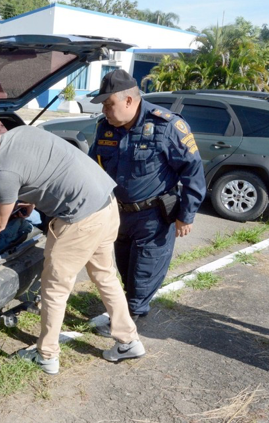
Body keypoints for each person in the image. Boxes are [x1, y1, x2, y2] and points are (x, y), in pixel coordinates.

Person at [0, 124, 146, 375]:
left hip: (80, 220)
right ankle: (129, 341)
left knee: (54, 289)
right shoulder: (22, 132)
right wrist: (31, 200)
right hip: (105, 204)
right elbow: (47, 166)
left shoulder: (4, 171)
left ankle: (46, 356)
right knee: (105, 275)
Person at [88, 69, 206, 336]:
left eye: (109, 104)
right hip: (118, 215)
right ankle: (129, 308)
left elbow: (192, 171)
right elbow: (93, 166)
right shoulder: (105, 127)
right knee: (125, 267)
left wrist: (186, 214)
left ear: (129, 100)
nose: (105, 111)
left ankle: (128, 325)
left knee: (144, 271)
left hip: (153, 216)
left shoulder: (167, 126)